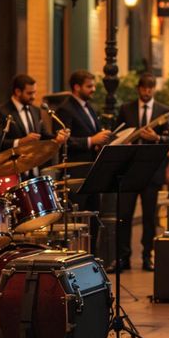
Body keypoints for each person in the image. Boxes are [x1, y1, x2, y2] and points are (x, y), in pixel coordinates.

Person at [117, 74, 169, 271]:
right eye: (144, 88)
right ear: (138, 89)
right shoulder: (126, 109)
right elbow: (118, 133)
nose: (147, 91)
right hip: (130, 171)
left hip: (151, 172)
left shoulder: (163, 111)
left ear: (154, 89)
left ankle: (147, 256)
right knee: (124, 215)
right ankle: (123, 257)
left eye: (151, 88)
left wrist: (156, 137)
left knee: (149, 218)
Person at [56, 70, 112, 256]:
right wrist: (91, 141)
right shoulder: (65, 109)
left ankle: (93, 256)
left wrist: (99, 141)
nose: (93, 89)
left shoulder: (90, 107)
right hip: (76, 172)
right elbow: (65, 142)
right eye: (89, 86)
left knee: (94, 217)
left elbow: (94, 134)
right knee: (78, 219)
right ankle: (78, 257)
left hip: (92, 170)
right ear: (76, 87)